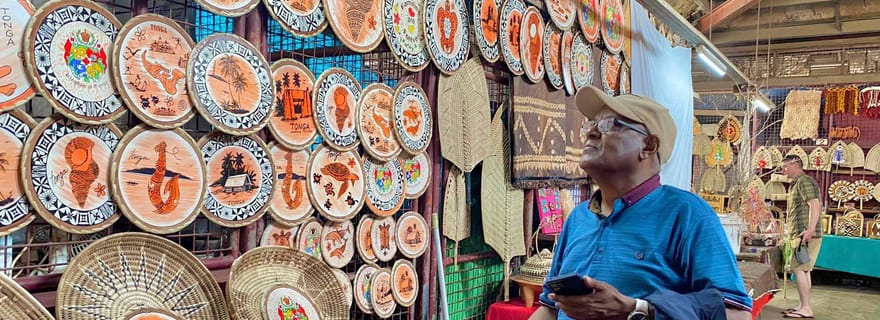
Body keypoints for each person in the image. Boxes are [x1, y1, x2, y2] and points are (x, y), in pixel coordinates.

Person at [529, 86, 752, 320]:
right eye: (590, 124)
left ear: (648, 146)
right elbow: (549, 309)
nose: (591, 133)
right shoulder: (578, 218)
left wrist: (637, 309)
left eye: (609, 124)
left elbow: (736, 313)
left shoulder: (687, 214)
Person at [780, 155, 822, 319]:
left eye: (785, 167)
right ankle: (803, 305)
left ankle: (806, 308)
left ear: (795, 164)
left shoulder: (804, 181)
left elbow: (815, 204)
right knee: (804, 270)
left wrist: (810, 229)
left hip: (805, 234)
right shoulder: (796, 183)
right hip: (800, 233)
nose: (784, 170)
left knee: (798, 269)